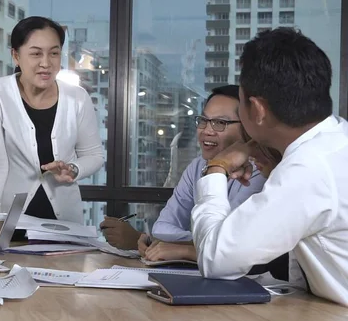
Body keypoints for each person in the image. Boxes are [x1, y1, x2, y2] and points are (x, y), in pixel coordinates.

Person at [191, 27, 348, 306]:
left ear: (257, 110)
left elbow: (216, 259)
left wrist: (216, 168)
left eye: (240, 104)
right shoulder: (335, 142)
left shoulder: (309, 167)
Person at [100, 85, 266, 256]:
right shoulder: (196, 167)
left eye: (220, 123)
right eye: (203, 120)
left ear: (247, 128)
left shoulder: (260, 170)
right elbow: (162, 227)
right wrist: (190, 245)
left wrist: (183, 248)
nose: (207, 130)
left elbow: (227, 242)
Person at [0, 16, 104, 231]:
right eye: (36, 53)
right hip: (11, 224)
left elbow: (94, 156)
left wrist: (72, 169)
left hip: (65, 225)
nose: (46, 63)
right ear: (16, 55)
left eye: (54, 53)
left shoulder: (77, 97)